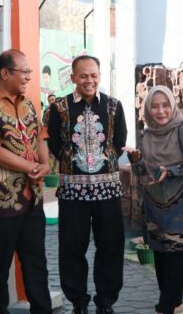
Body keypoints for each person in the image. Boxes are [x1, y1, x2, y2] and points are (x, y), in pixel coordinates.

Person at [0, 50, 52, 314]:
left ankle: (42, 310)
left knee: (36, 263)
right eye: (24, 72)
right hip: (2, 200)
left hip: (33, 199)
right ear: (5, 73)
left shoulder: (27, 103)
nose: (29, 77)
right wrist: (32, 166)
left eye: (30, 72)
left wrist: (46, 164)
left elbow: (40, 136)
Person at [47, 55, 127, 314]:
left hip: (108, 191)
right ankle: (78, 302)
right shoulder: (59, 108)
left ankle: (106, 302)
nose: (89, 80)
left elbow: (119, 141)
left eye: (93, 75)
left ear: (100, 76)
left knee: (111, 246)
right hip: (73, 192)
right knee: (71, 247)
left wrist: (101, 165)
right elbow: (55, 146)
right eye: (83, 76)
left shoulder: (114, 106)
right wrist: (75, 165)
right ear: (73, 78)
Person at [123, 86, 183, 314]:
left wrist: (171, 170)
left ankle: (165, 307)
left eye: (165, 105)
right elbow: (142, 173)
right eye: (155, 106)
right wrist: (136, 159)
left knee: (175, 261)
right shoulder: (146, 135)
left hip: (179, 206)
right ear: (148, 109)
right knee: (159, 260)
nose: (160, 111)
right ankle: (177, 306)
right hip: (153, 207)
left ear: (173, 105)